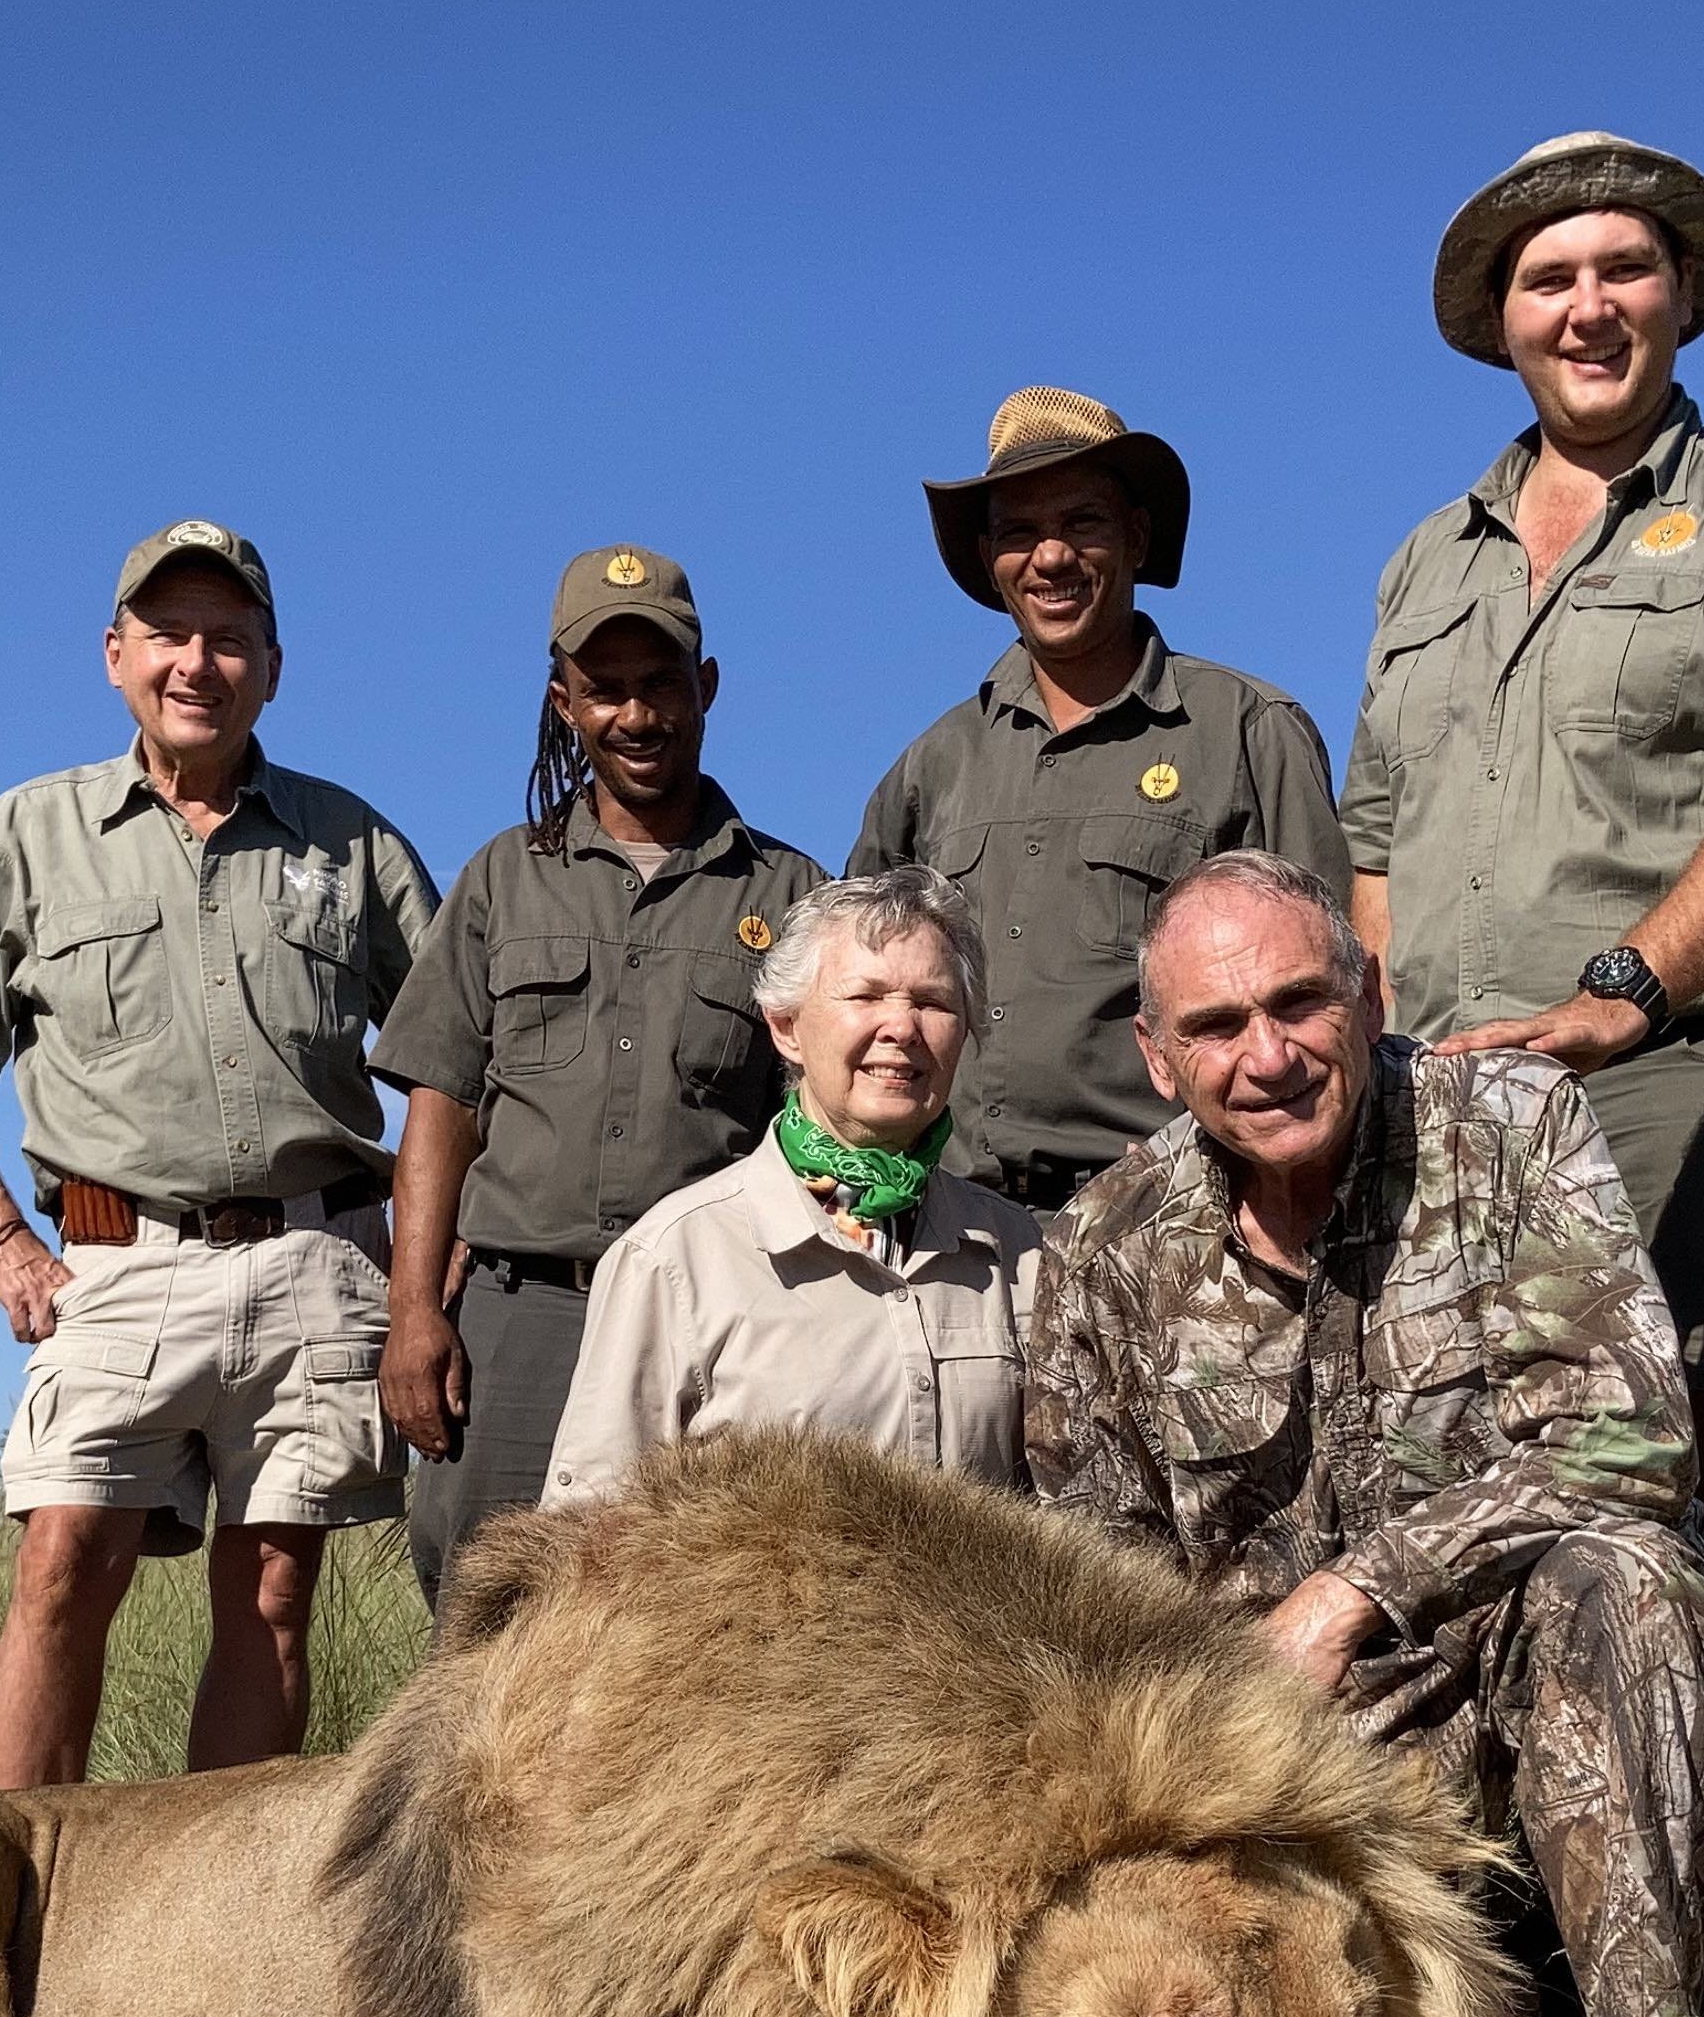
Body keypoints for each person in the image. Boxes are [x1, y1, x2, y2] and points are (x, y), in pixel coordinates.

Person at [1340, 132, 1704, 1949]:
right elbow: (1376, 848)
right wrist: (1388, 1055)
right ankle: (1540, 1992)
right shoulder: (1418, 561)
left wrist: (1631, 989)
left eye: (1621, 269)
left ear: (1677, 298)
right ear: (1499, 325)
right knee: (1475, 1533)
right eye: (1548, 279)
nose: (1586, 304)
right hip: (1463, 1117)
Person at [1023, 851, 1704, 2017]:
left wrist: (1355, 1592)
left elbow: (1635, 1435)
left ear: (1367, 990)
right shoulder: (1101, 1244)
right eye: (1218, 1027)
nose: (1269, 1055)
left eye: (1299, 1004)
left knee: (1632, 1571)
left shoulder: (1511, 1124)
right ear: (1157, 1055)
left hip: (1519, 1692)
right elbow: (1096, 1591)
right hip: (1285, 1750)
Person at [0, 518, 436, 1784]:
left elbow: (456, 1057)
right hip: (112, 1266)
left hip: (317, 1267)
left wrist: (418, 1268)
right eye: (171, 635)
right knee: (64, 1560)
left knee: (277, 1594)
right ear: (116, 655)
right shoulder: (27, 833)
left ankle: (199, 1934)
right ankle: (17, 1905)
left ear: (274, 669)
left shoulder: (354, 842)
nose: (199, 663)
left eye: (230, 639)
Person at [369, 547, 827, 1599]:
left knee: (693, 1623)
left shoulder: (792, 889)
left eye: (660, 683)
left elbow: (816, 1128)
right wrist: (414, 1316)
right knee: (479, 1613)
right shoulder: (499, 878)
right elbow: (441, 1108)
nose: (636, 715)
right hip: (522, 1314)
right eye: (605, 689)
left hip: (710, 1312)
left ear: (704, 687)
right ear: (563, 703)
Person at [852, 389, 1352, 1214]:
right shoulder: (929, 767)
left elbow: (1326, 997)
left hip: (1175, 1214)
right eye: (1019, 532)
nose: (1050, 557)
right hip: (952, 1225)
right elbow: (861, 994)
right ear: (988, 560)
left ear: (1136, 537)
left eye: (1082, 522)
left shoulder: (1247, 731)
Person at [545, 868, 1039, 1502]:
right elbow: (587, 1529)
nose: (902, 1028)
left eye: (933, 1002)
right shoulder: (674, 1258)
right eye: (866, 996)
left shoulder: (1016, 1250)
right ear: (786, 1029)